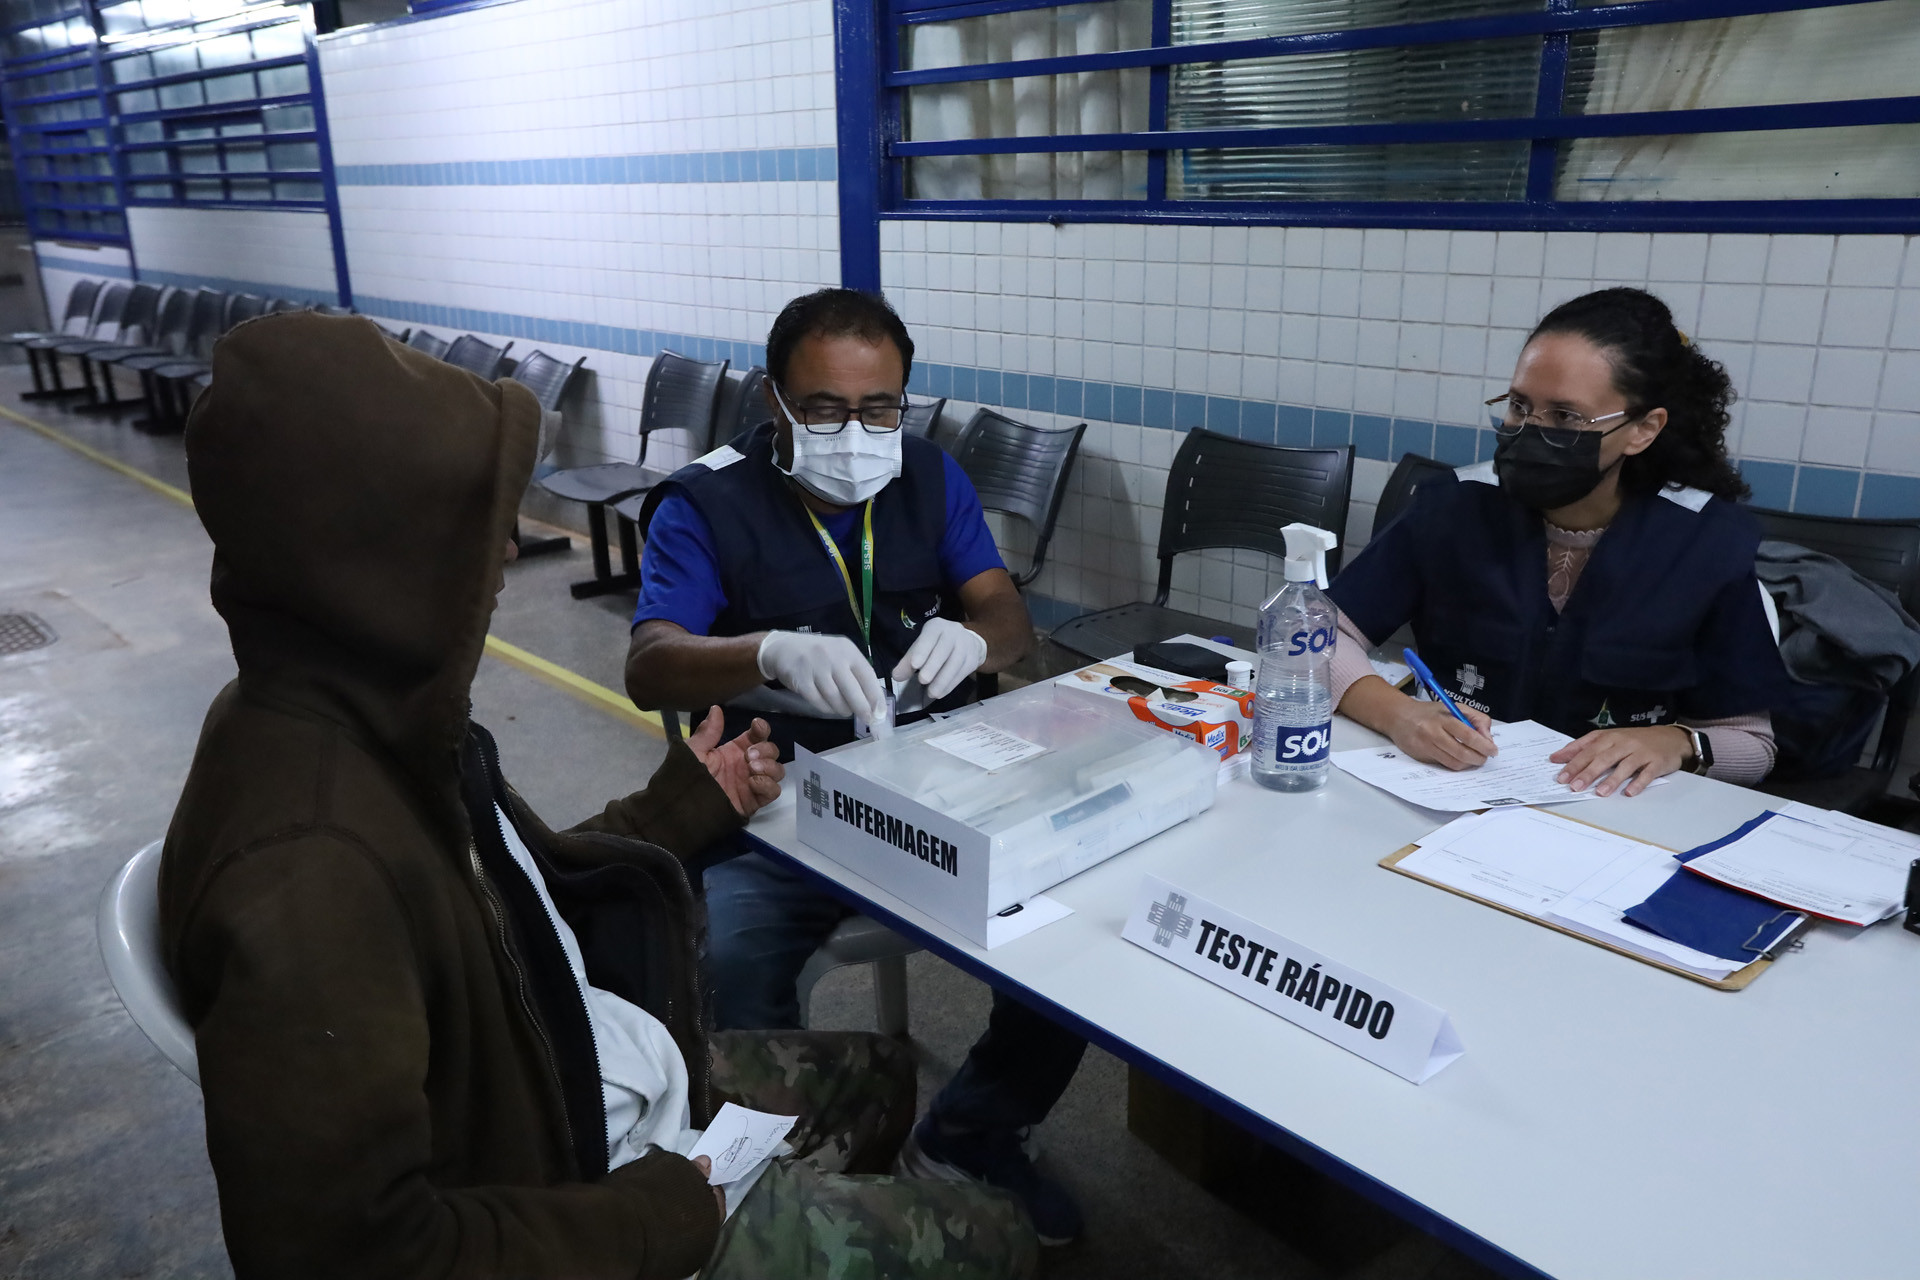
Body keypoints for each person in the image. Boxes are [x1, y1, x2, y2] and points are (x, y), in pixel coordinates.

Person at [161, 312, 1037, 1279]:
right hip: (571, 1167)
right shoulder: (305, 871)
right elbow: (359, 1255)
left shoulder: (370, 719)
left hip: (571, 1070)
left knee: (880, 1082)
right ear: (369, 550)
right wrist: (667, 1215)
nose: (504, 560)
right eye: (475, 528)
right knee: (995, 1240)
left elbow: (501, 887)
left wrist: (682, 808)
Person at [624, 288, 1089, 1244]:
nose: (857, 430)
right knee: (731, 959)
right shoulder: (707, 502)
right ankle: (780, 1183)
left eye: (881, 407)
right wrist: (761, 655)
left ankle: (972, 1135)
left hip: (933, 779)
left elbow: (1008, 617)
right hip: (775, 802)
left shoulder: (927, 474)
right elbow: (648, 665)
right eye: (826, 408)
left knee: (1069, 929)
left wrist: (976, 641)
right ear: (773, 401)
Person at [1327, 286, 1791, 796]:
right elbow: (1311, 637)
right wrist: (1399, 714)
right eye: (1520, 407)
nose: (1531, 432)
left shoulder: (1702, 546)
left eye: (1567, 417)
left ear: (1643, 429)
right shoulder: (1455, 509)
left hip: (1610, 818)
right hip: (1451, 790)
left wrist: (1675, 742)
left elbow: (1752, 745)